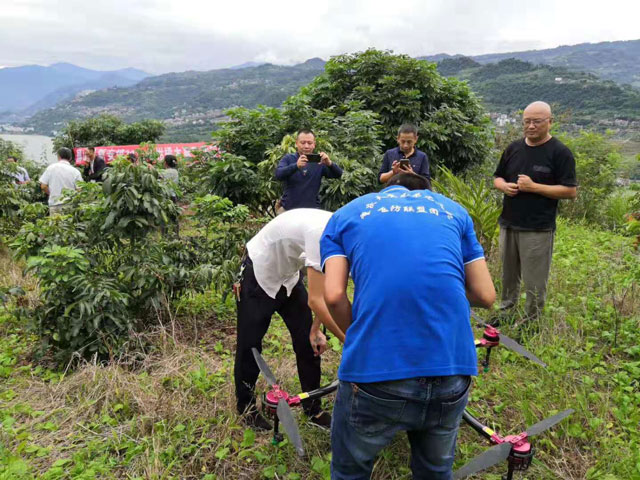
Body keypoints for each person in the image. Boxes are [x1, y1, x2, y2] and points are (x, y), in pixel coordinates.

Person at [321, 172, 496, 479]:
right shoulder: (453, 211)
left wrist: (360, 337)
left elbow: (334, 295)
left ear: (386, 190)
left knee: (351, 471)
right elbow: (485, 295)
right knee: (434, 471)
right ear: (426, 192)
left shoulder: (347, 213)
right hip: (451, 368)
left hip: (375, 373)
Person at [234, 208, 344, 431]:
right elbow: (316, 300)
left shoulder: (341, 234)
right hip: (260, 274)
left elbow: (324, 292)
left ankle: (313, 407)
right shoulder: (320, 233)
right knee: (250, 346)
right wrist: (348, 340)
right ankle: (246, 408)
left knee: (308, 343)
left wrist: (316, 328)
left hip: (289, 278)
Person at [493, 101, 577, 321]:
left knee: (534, 280)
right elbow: (497, 177)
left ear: (550, 122)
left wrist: (534, 187)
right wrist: (503, 186)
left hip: (538, 227)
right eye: (527, 121)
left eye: (537, 121)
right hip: (509, 222)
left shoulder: (560, 153)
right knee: (508, 274)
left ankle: (532, 321)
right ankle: (506, 311)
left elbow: (570, 191)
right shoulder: (513, 148)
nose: (531, 126)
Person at [275, 129, 343, 213]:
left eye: (310, 143)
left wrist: (330, 163)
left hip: (312, 211)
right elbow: (278, 174)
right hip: (288, 210)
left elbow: (339, 174)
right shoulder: (288, 158)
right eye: (303, 143)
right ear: (296, 143)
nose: (306, 146)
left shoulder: (320, 161)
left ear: (314, 144)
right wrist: (296, 166)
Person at [39, 147, 83, 216]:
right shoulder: (75, 171)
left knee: (54, 226)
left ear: (58, 157)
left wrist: (52, 193)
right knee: (67, 226)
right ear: (70, 158)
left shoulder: (51, 168)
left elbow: (43, 186)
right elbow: (79, 190)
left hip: (54, 204)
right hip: (69, 205)